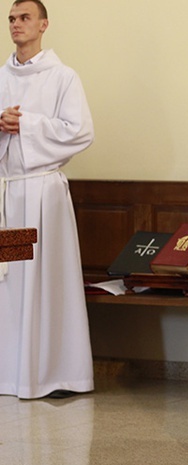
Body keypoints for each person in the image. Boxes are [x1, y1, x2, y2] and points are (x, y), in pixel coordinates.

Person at [0, 0, 95, 399]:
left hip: (43, 194)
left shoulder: (63, 77)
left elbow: (80, 131)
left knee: (47, 280)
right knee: (14, 278)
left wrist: (27, 124)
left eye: (24, 18)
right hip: (10, 193)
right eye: (11, 19)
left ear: (43, 25)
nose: (16, 25)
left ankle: (55, 373)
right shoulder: (0, 77)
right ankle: (13, 373)